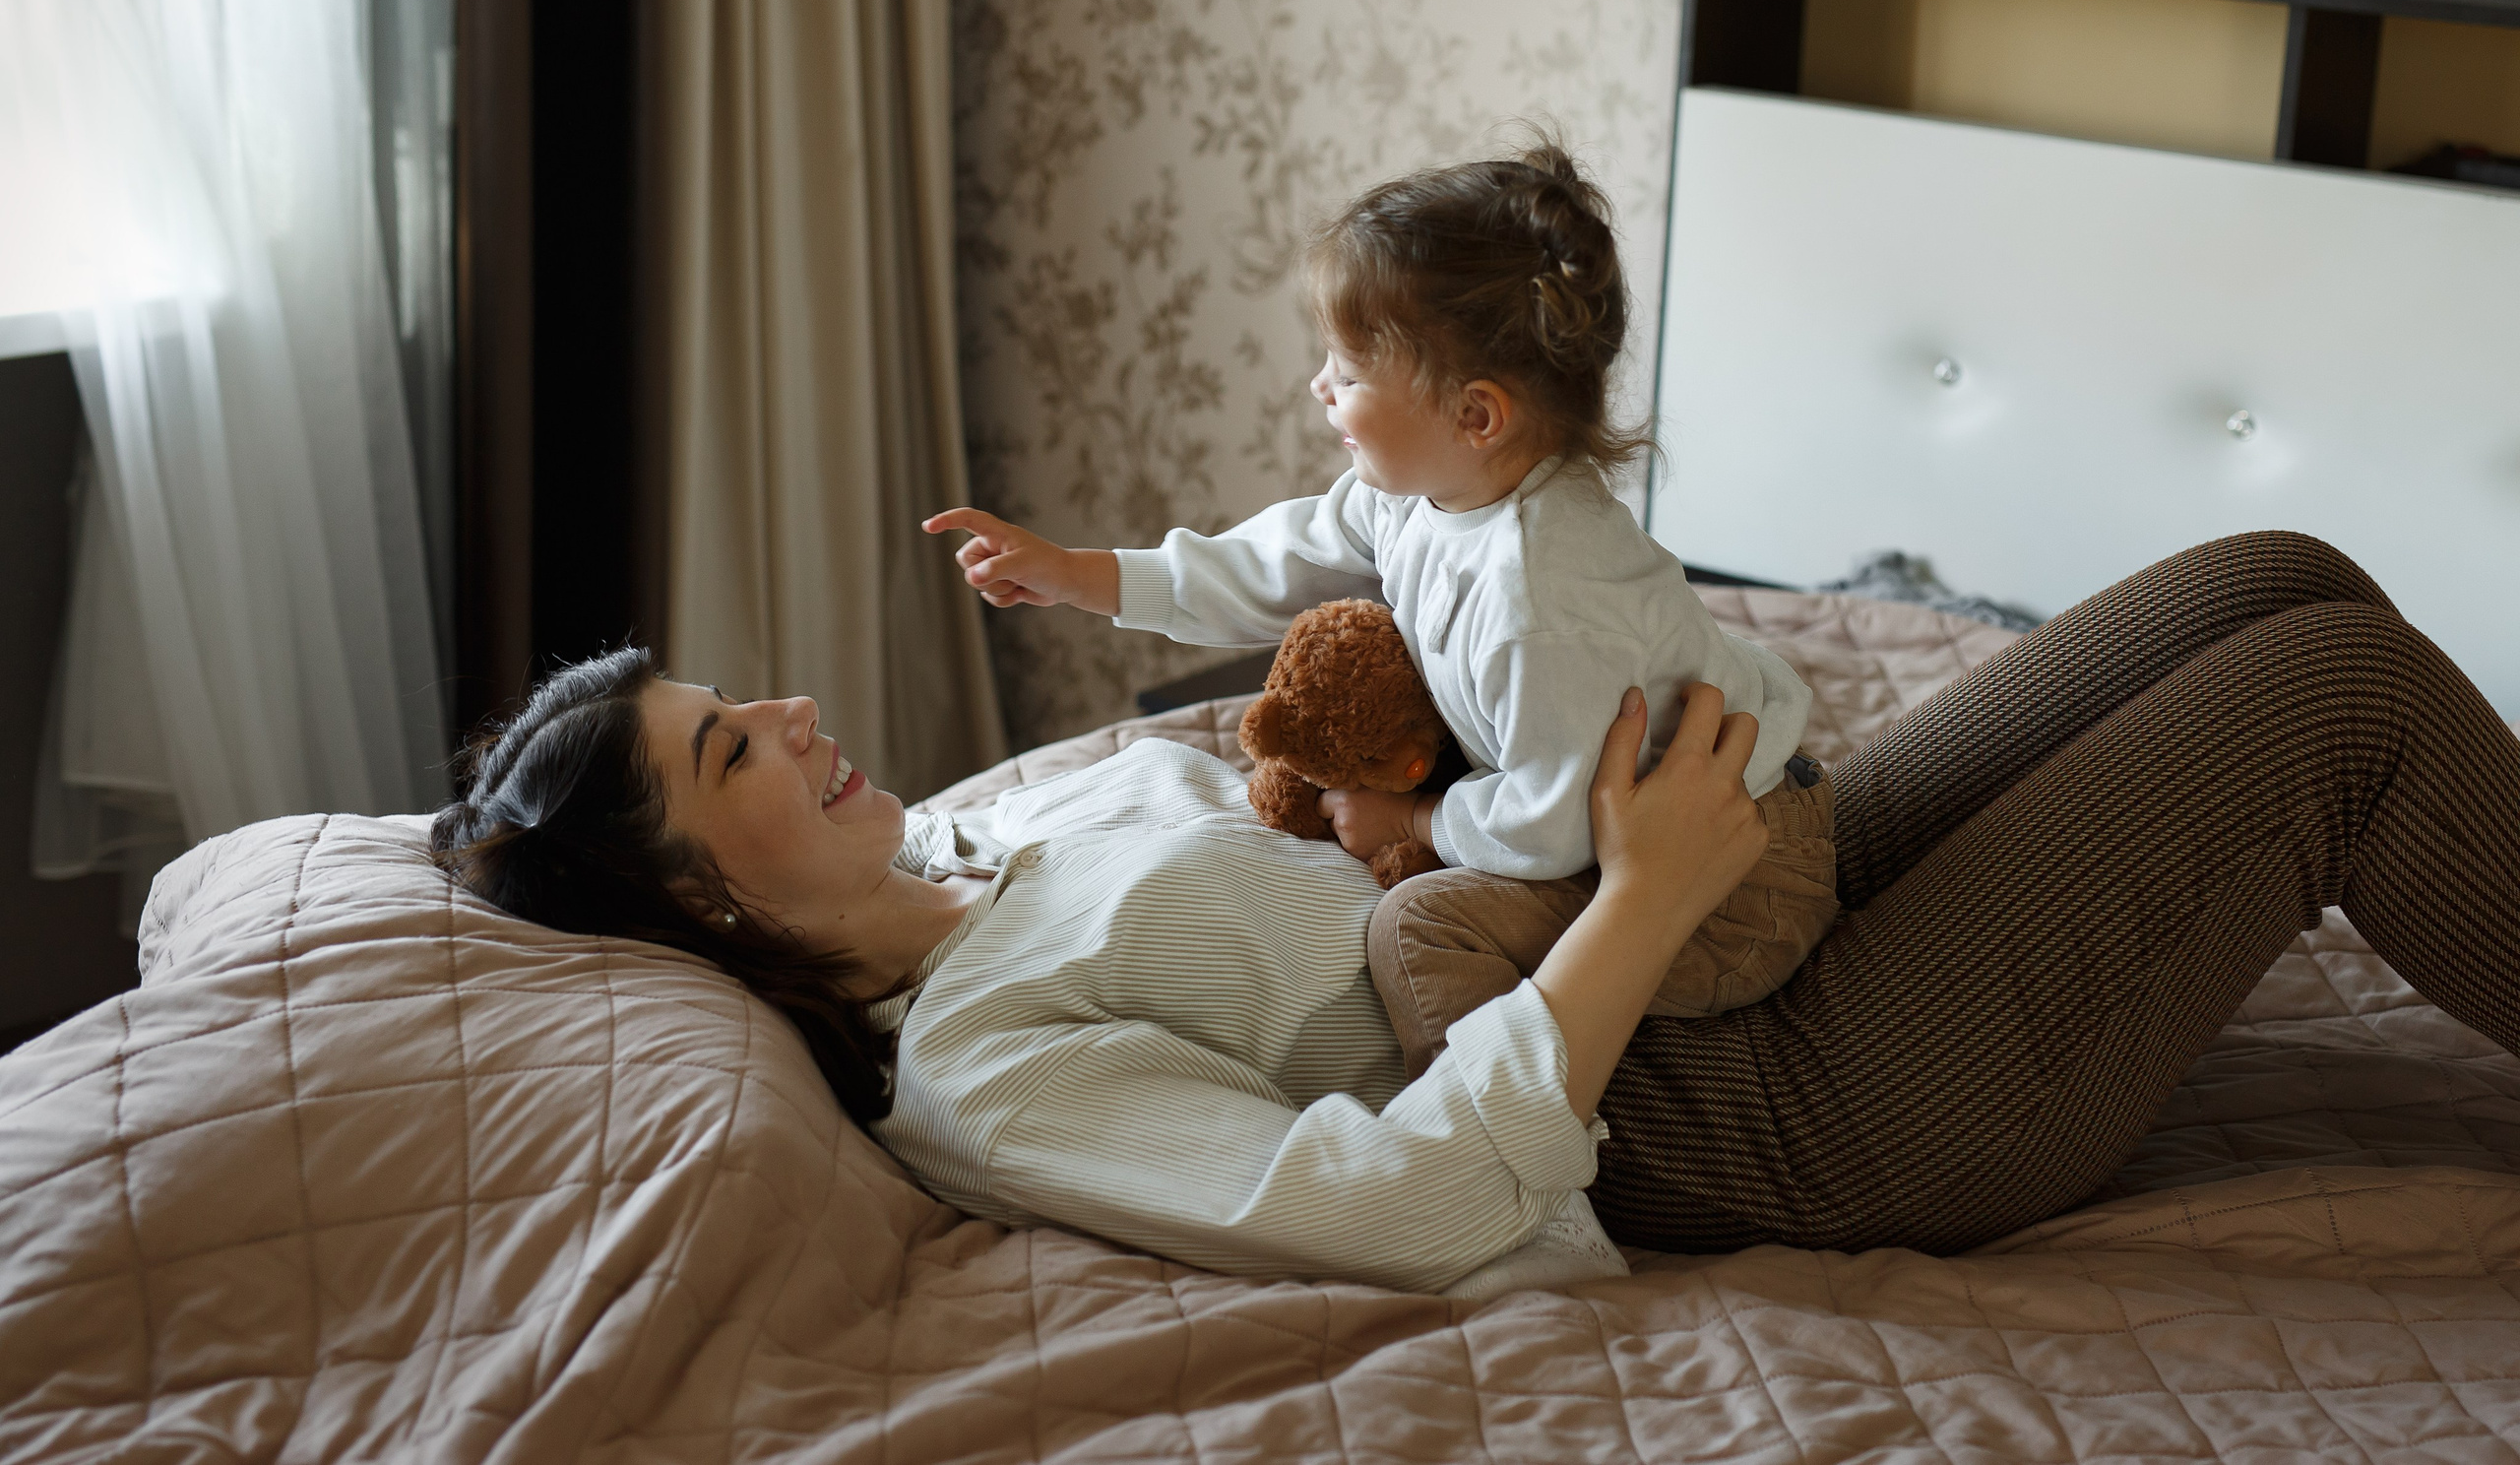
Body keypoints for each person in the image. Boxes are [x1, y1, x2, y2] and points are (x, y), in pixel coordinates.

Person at [434, 534, 2520, 1274]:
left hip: (1663, 924)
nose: (792, 714)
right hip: (1747, 1099)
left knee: (2270, 580)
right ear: (709, 910)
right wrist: (1633, 906)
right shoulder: (978, 1068)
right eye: (731, 749)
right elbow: (1390, 1206)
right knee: (2322, 705)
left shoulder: (995, 838)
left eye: (738, 697)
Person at [922, 141, 1839, 1080]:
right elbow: (1271, 566)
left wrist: (1414, 819)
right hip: (1649, 807)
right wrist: (1080, 573)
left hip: (1736, 876)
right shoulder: (1421, 493)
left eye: (1349, 373)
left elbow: (1548, 824)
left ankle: (1495, 1138)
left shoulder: (1538, 602)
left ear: (1477, 416)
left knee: (1419, 927)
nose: (1320, 387)